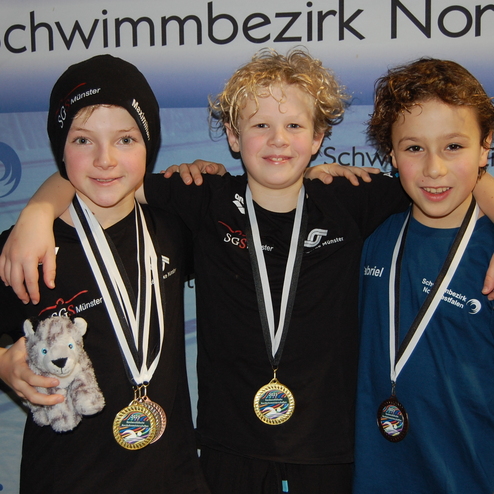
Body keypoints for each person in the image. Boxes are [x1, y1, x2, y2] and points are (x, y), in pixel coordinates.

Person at [2, 49, 494, 494]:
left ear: (319, 137)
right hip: (226, 453)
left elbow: (447, 175)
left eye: (295, 126)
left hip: (328, 454)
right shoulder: (204, 200)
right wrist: (38, 212)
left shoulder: (349, 200)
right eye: (260, 125)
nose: (278, 140)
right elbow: (107, 177)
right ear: (234, 137)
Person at [0, 54, 209, 493]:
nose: (105, 159)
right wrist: (2, 362)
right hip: (66, 479)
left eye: (126, 139)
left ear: (149, 145)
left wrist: (319, 179)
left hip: (172, 478)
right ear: (60, 149)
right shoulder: (23, 250)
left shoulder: (176, 228)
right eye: (83, 140)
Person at [353, 58, 494, 493]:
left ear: (485, 147)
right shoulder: (371, 235)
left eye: (453, 146)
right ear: (392, 155)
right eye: (414, 148)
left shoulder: (488, 252)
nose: (434, 169)